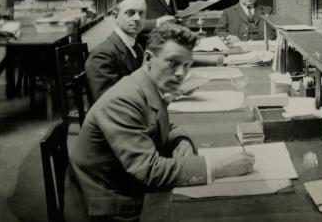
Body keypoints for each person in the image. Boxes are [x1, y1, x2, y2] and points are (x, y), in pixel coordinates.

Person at [70, 24, 255, 221]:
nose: (180, 74)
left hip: (125, 188)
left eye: (186, 65)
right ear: (148, 58)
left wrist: (180, 140)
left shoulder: (145, 85)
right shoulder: (123, 101)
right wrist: (218, 166)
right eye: (172, 63)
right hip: (110, 208)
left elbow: (155, 123)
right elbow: (149, 171)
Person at [85, 0, 146, 101]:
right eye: (130, 13)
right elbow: (108, 103)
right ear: (115, 16)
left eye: (141, 13)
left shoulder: (137, 48)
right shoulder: (102, 55)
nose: (137, 18)